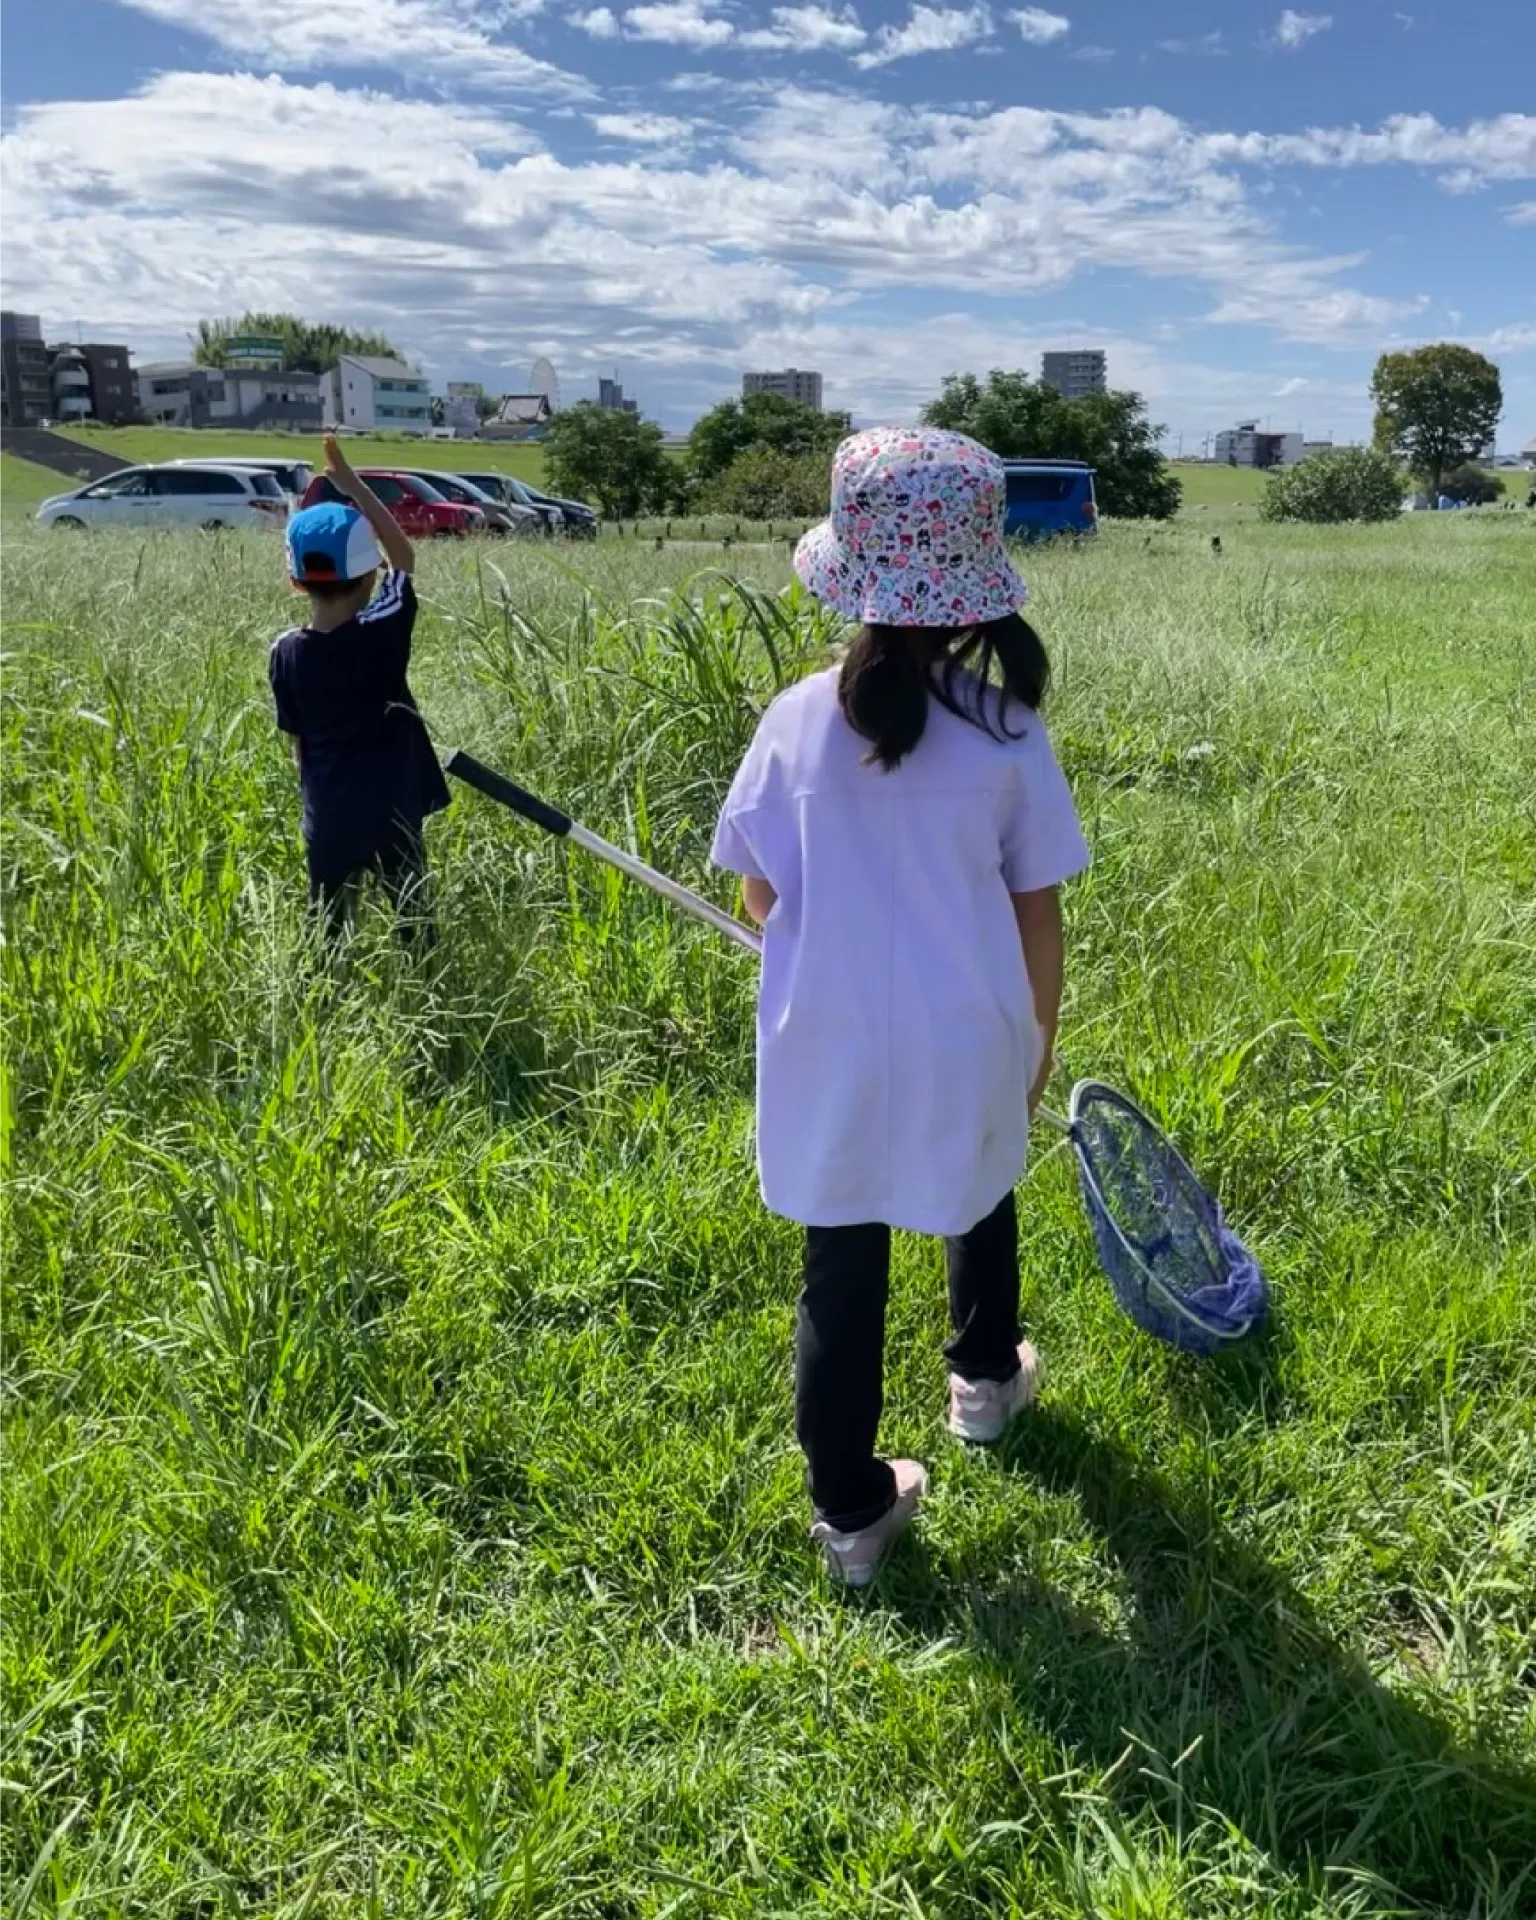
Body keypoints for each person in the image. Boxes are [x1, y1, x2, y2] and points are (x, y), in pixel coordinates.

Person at [711, 427, 1090, 1586]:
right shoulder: (1008, 732)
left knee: (843, 1254)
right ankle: (983, 1380)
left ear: (848, 574)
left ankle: (853, 1510)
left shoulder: (792, 721)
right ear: (978, 588)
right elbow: (1037, 910)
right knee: (979, 1189)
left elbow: (758, 892)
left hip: (828, 1036)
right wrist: (1037, 1038)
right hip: (970, 1024)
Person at [269, 435, 449, 946]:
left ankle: (320, 1007)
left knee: (326, 933)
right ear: (369, 574)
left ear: (295, 580)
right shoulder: (383, 628)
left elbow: (297, 743)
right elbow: (405, 560)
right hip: (393, 810)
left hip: (328, 814)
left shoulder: (284, 652)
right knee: (415, 928)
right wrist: (354, 486)